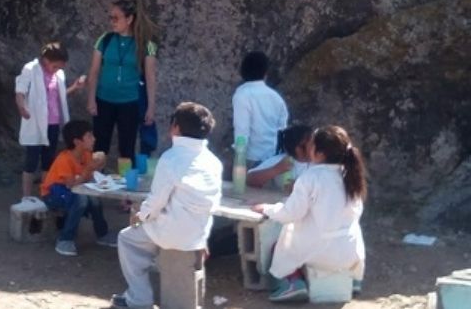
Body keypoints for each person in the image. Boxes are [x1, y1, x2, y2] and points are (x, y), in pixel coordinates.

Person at [111, 102, 223, 309]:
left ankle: (139, 299)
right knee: (149, 234)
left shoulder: (171, 158)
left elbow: (156, 202)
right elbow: (212, 205)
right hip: (196, 234)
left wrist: (139, 217)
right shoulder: (214, 162)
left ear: (176, 128)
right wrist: (203, 238)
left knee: (127, 239)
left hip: (169, 231)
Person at [251, 125, 367, 302]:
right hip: (350, 251)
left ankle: (290, 285)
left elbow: (290, 214)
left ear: (319, 154)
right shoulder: (351, 175)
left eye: (311, 145)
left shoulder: (310, 178)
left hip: (322, 252)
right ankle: (353, 279)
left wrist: (267, 208)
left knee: (281, 244)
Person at [86, 0, 158, 167]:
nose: (112, 22)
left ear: (129, 19)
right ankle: (96, 183)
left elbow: (150, 77)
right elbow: (94, 71)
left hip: (129, 102)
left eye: (116, 18)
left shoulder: (146, 44)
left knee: (127, 148)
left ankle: (125, 186)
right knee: (99, 146)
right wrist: (91, 99)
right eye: (110, 17)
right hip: (103, 99)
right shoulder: (105, 40)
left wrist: (151, 107)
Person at [15, 42, 84, 199]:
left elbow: (59, 96)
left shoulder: (58, 74)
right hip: (35, 122)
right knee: (31, 160)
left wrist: (74, 87)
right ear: (46, 60)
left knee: (48, 160)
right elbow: (20, 90)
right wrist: (21, 108)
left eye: (59, 67)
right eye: (55, 66)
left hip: (52, 123)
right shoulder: (30, 70)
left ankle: (44, 194)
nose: (57, 70)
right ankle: (26, 196)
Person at [40, 120, 115, 256]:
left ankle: (102, 234)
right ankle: (65, 239)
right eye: (89, 136)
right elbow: (71, 184)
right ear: (77, 142)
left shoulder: (86, 155)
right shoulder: (64, 159)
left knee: (94, 198)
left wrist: (99, 165)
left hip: (72, 191)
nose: (94, 139)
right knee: (81, 199)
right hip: (53, 194)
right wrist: (89, 169)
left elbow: (88, 177)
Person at [232, 51, 289, 168]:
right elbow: (282, 130)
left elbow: (242, 130)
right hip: (274, 159)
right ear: (265, 73)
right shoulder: (276, 97)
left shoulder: (242, 94)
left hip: (251, 158)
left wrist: (239, 162)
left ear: (242, 71)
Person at [247, 125, 313, 192]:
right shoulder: (281, 160)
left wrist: (301, 187)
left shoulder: (320, 163)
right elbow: (249, 179)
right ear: (298, 149)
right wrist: (276, 169)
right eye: (312, 143)